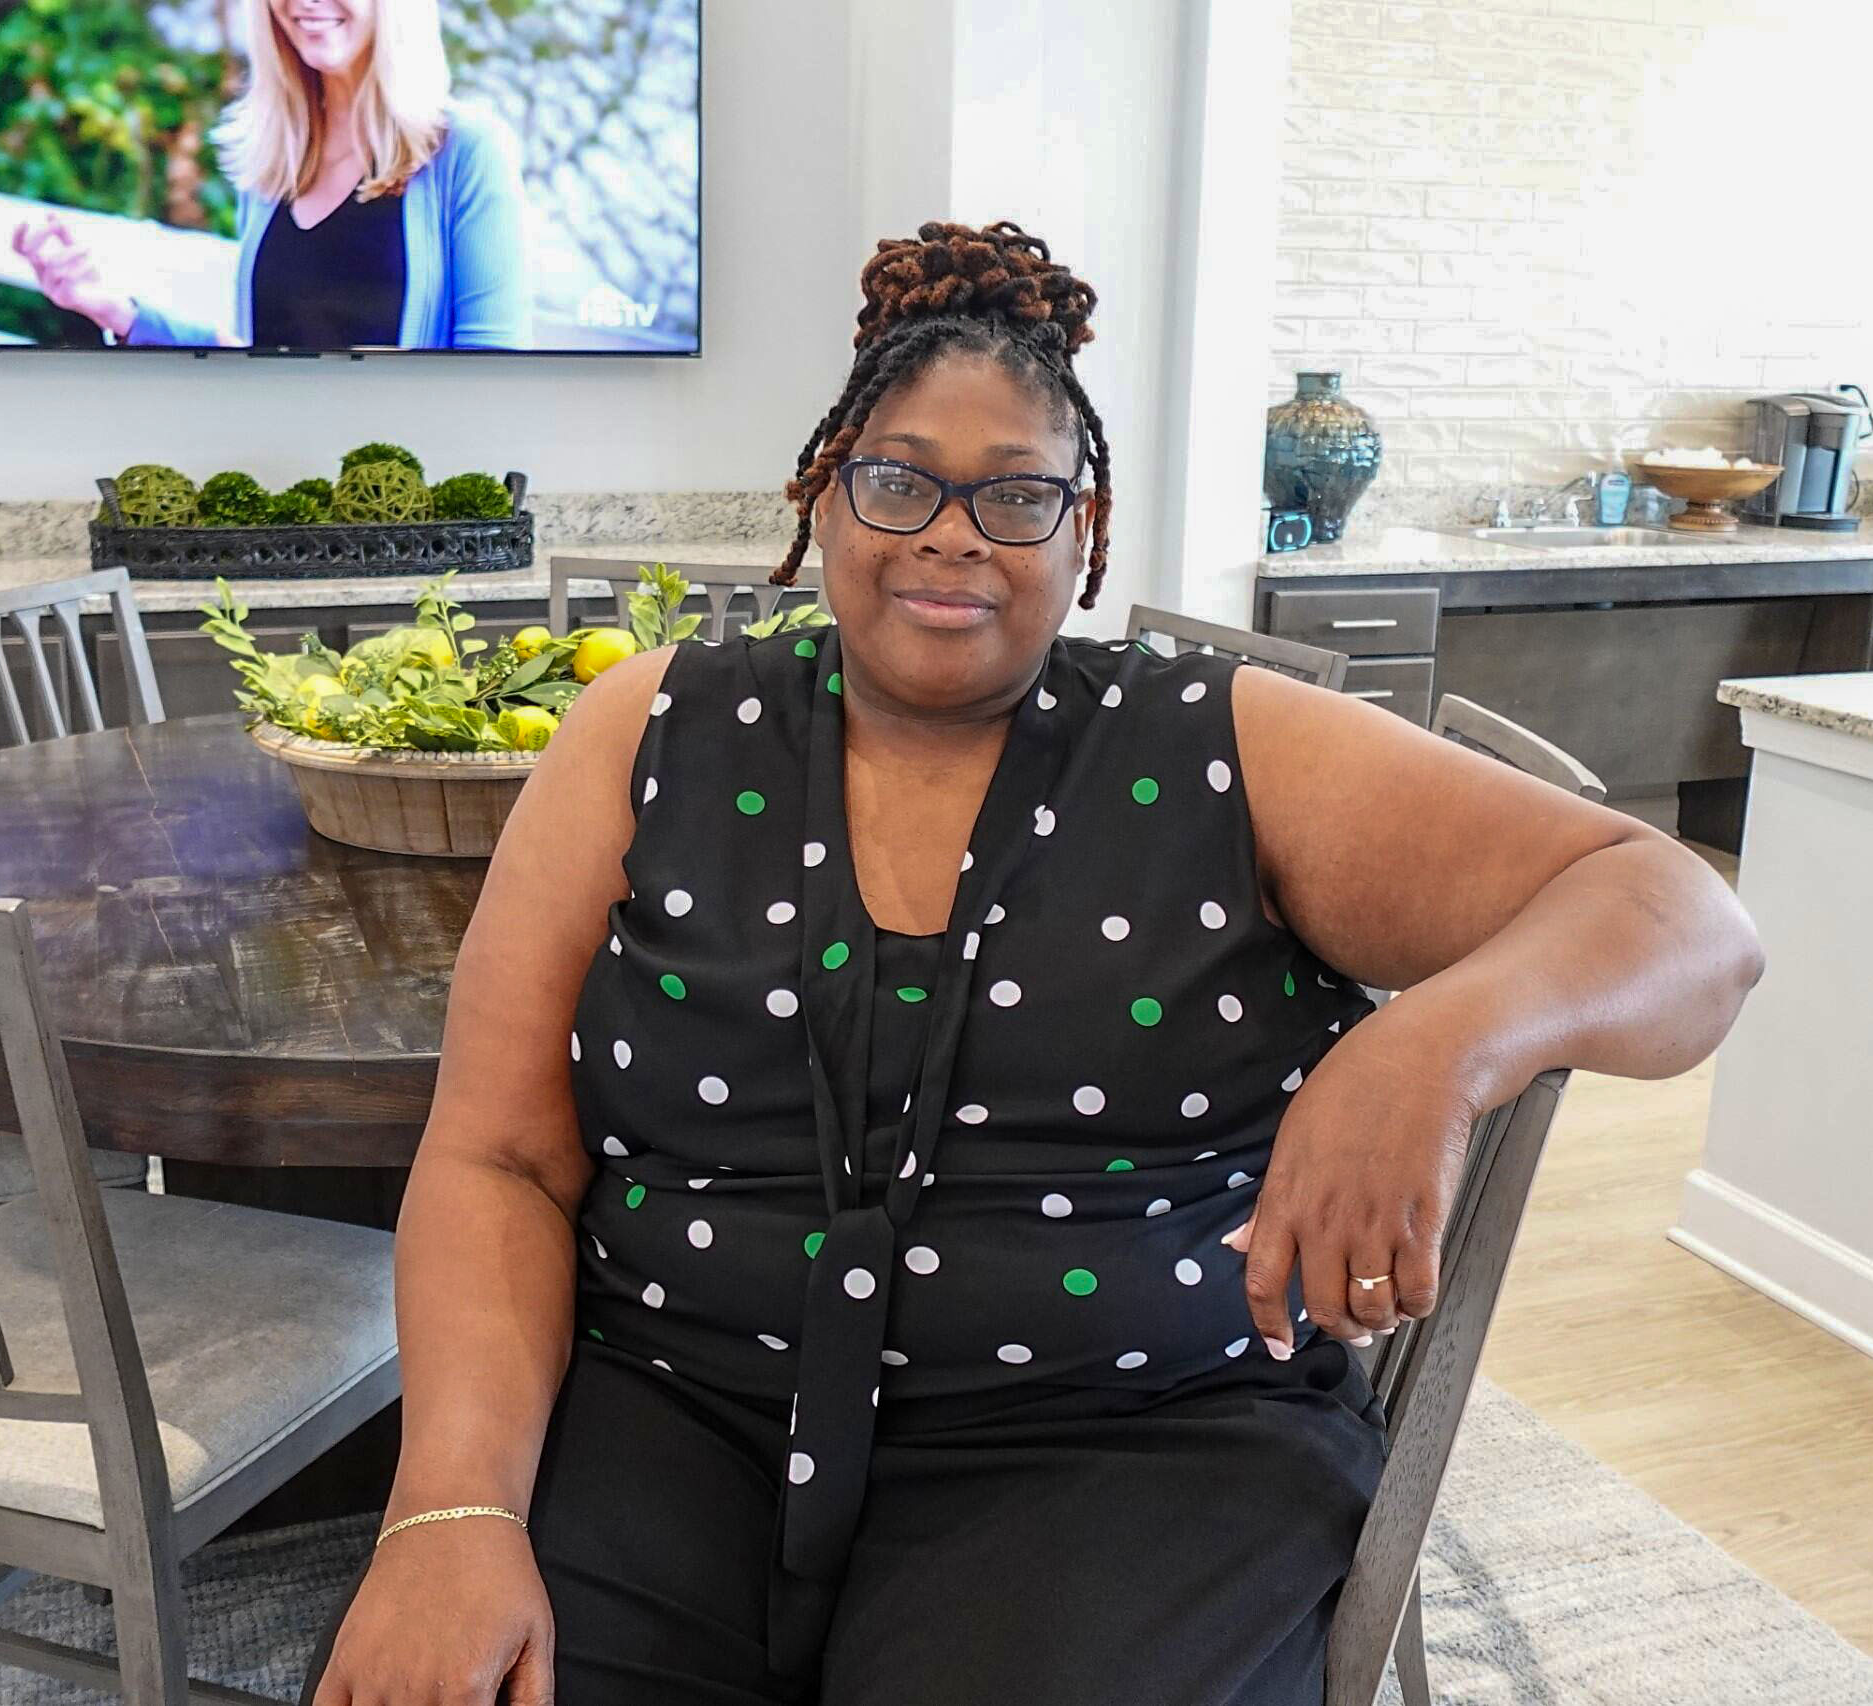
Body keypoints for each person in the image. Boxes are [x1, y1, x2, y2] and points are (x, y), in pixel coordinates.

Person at [304, 220, 1766, 1704]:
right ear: (824, 497)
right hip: (684, 1402)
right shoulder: (644, 731)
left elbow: (1681, 917)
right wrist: (453, 1509)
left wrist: (1437, 1046)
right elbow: (497, 1156)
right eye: (899, 481)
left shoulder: (1232, 746)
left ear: (1090, 530)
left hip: (1129, 1433)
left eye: (1016, 494)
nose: (953, 533)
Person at [11, 0, 529, 351]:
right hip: (280, 499)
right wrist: (114, 310)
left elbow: (491, 382)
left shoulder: (467, 152)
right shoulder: (272, 158)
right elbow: (257, 364)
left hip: (400, 509)